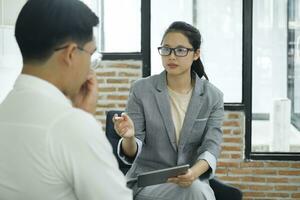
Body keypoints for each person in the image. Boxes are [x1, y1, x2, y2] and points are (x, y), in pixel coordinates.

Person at [0, 0, 132, 199]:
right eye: (91, 54)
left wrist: (79, 116)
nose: (90, 68)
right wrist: (84, 121)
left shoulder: (6, 110)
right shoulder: (72, 126)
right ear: (71, 54)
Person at [113, 21, 224, 200]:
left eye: (180, 50)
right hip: (147, 183)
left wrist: (193, 174)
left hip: (190, 180)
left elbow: (211, 147)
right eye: (166, 49)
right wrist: (129, 137)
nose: (171, 56)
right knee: (197, 194)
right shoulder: (142, 90)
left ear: (196, 54)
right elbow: (132, 152)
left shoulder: (213, 96)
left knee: (196, 190)